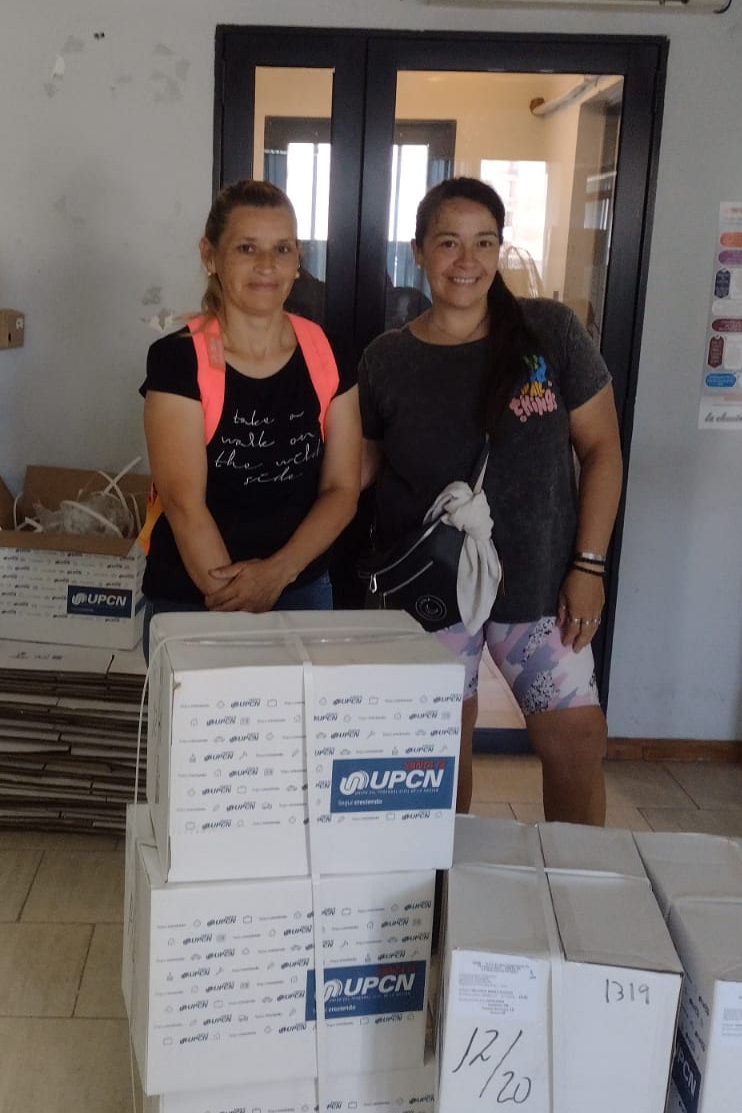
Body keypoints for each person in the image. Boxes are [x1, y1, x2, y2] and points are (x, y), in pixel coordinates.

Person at [358, 177, 624, 825]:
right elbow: (358, 475)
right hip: (430, 590)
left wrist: (589, 566)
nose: (466, 260)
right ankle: (448, 877)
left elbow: (602, 451)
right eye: (448, 242)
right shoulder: (387, 359)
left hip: (541, 585)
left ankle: (573, 874)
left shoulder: (549, 332)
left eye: (483, 242)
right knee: (438, 755)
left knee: (575, 739)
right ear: (419, 250)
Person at [140, 180, 361, 653]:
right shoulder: (177, 361)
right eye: (247, 248)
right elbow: (183, 504)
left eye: (282, 248)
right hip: (196, 597)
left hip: (301, 590)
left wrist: (278, 574)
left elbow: (343, 489)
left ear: (297, 258)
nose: (267, 265)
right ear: (210, 256)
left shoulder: (328, 353)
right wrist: (239, 608)